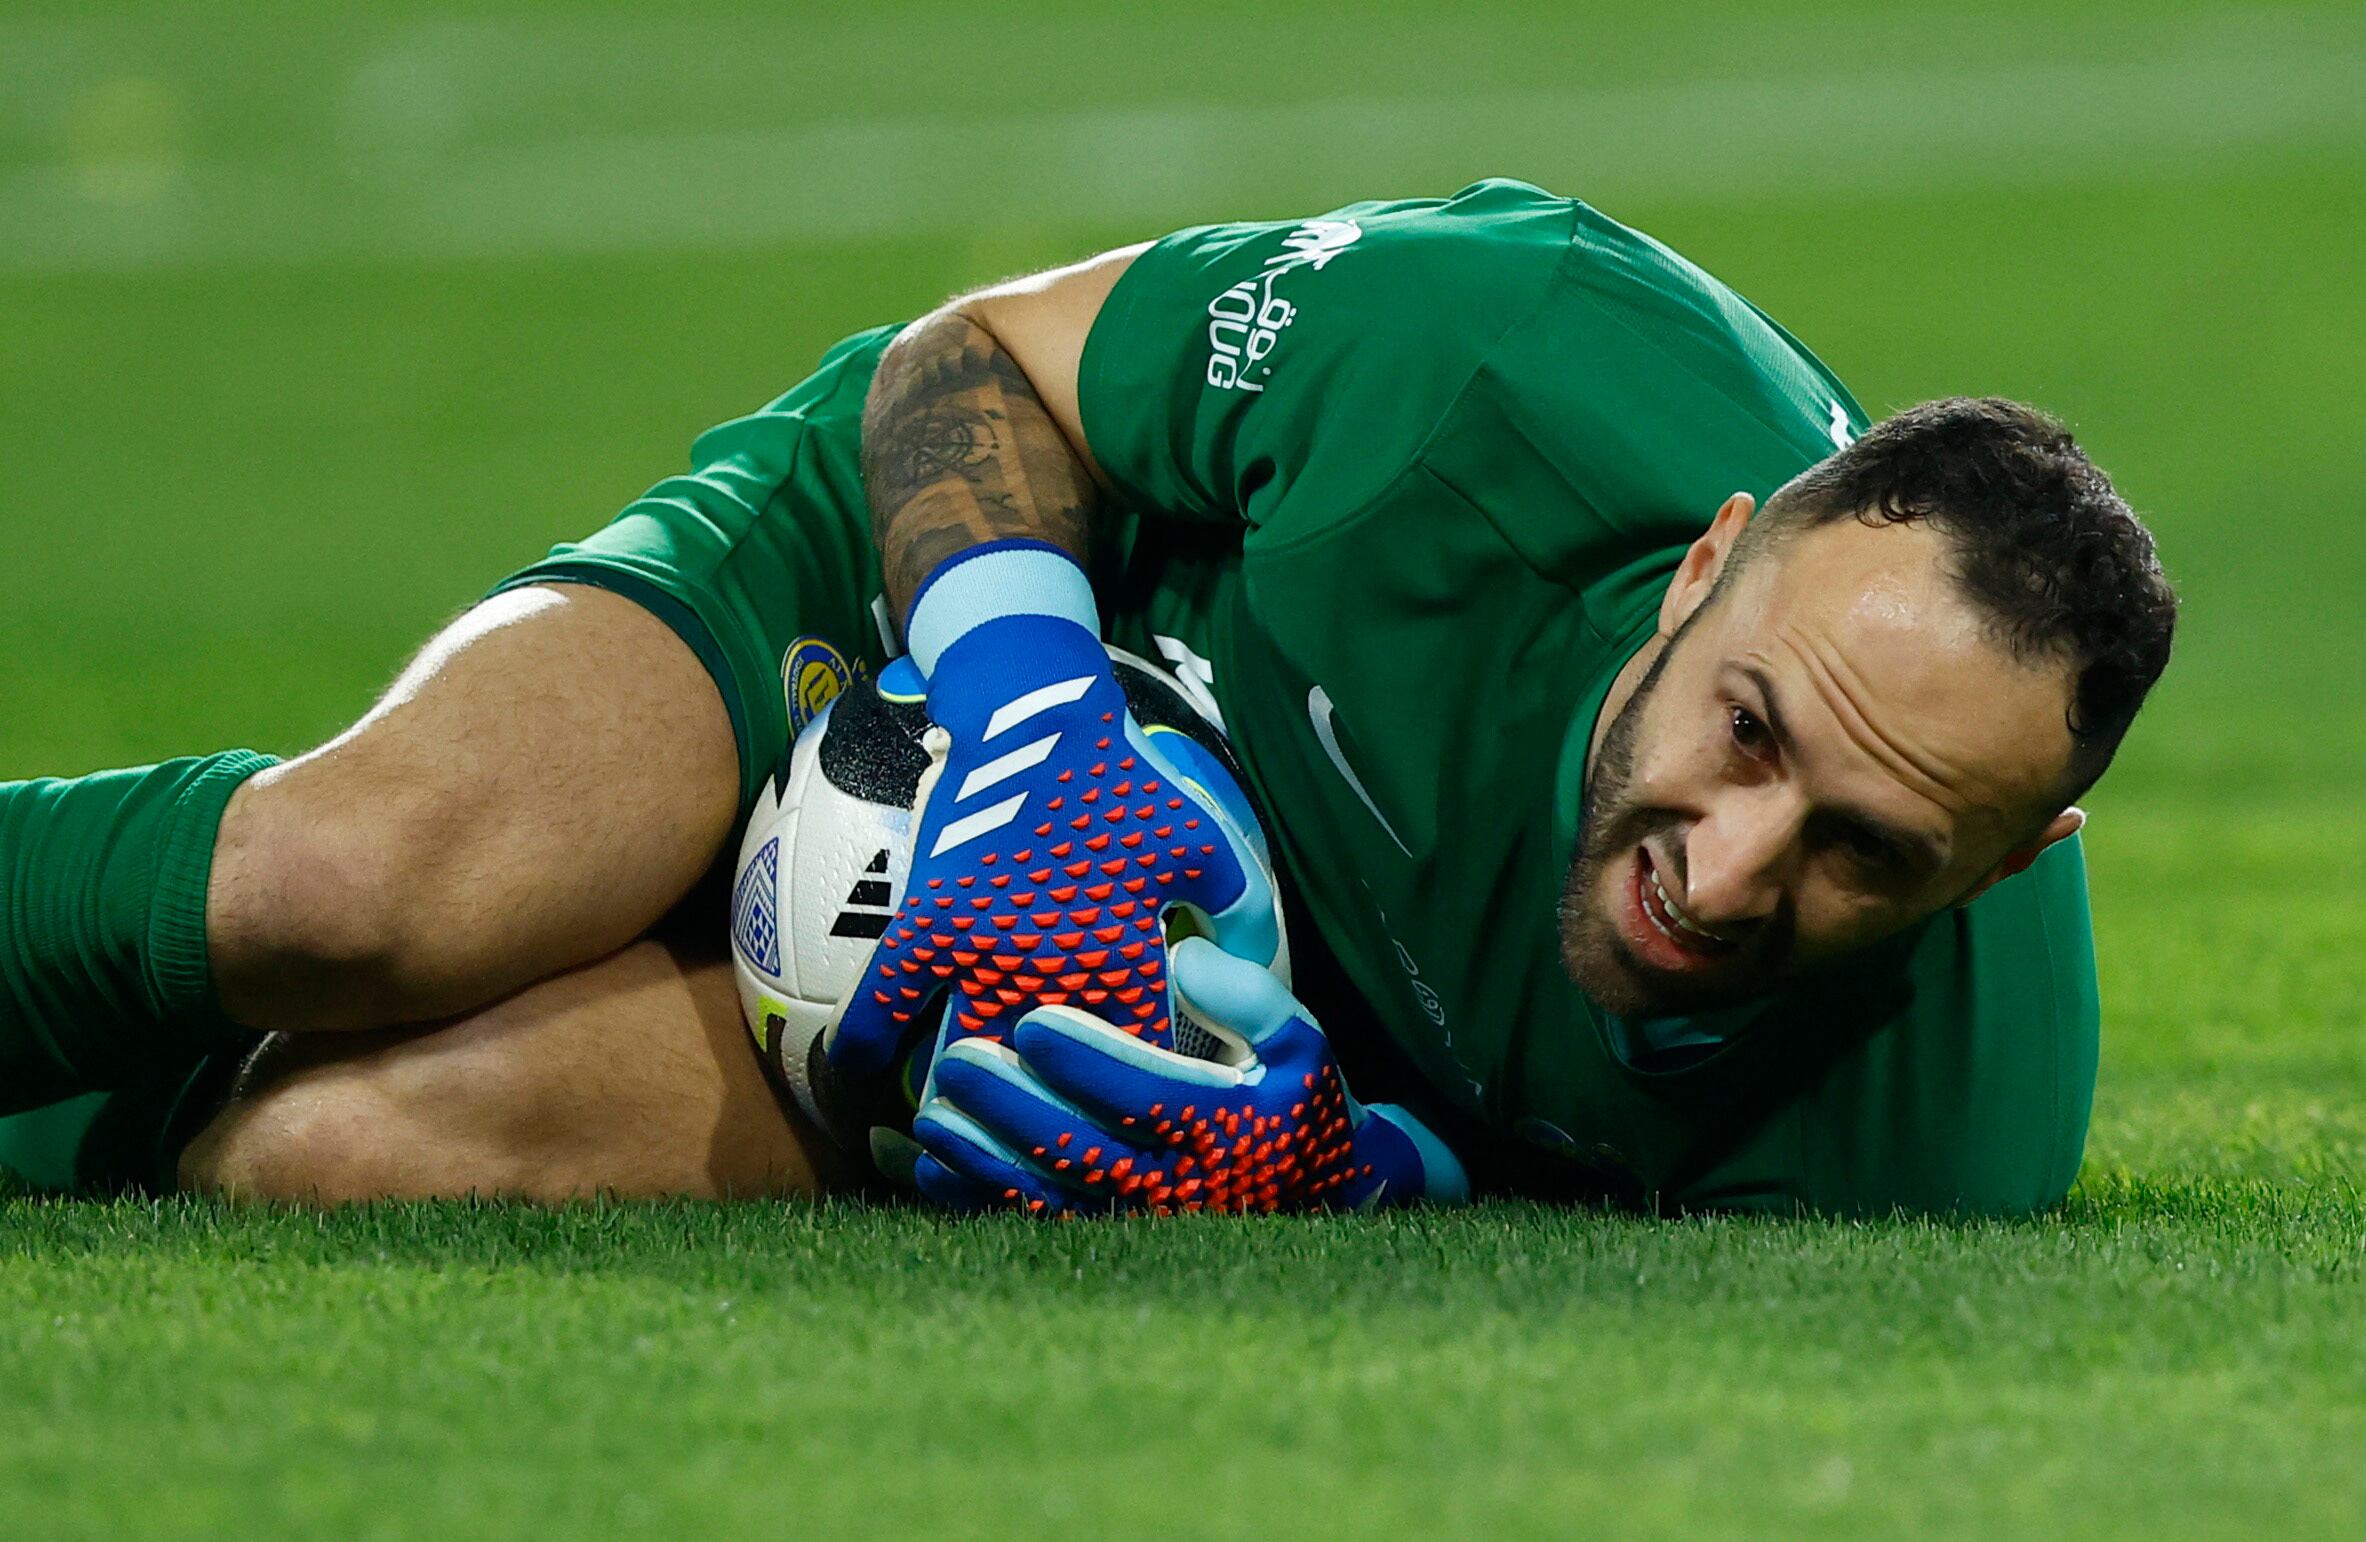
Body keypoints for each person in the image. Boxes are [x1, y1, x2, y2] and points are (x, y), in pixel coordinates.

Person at [0, 179, 2175, 1216]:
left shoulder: (1937, 1137)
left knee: (340, 1151)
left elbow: (1552, 1210)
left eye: (1871, 851)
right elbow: (983, 361)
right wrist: (1035, 720)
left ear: (2008, 863)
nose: (1728, 863)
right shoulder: (1508, 349)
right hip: (968, 594)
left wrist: (1364, 1162)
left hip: (1127, 998)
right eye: (1750, 731)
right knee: (369, 887)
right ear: (1705, 559)